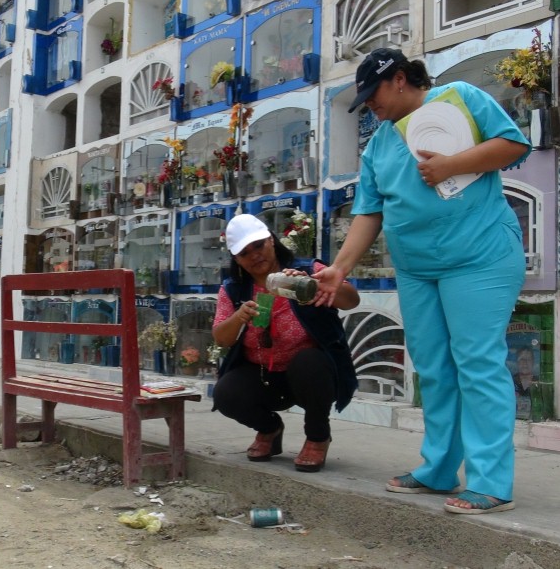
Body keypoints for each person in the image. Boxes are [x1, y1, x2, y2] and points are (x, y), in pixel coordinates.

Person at [314, 48, 530, 514]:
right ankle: (438, 468)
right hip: (416, 269)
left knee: (476, 362)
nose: (370, 105)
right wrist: (341, 267)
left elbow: (513, 144)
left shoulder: (460, 98)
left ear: (398, 79)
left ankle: (491, 482)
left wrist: (451, 165)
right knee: (433, 368)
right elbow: (369, 212)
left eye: (373, 95)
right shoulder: (380, 145)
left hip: (479, 257)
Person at [211, 214, 360, 472]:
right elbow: (221, 338)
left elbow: (351, 301)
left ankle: (317, 436)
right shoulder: (234, 289)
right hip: (264, 376)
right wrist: (239, 317)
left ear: (271, 240)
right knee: (225, 393)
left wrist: (313, 285)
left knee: (309, 361)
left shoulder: (307, 270)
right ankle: (269, 428)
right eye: (245, 253)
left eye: (258, 245)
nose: (255, 255)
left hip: (310, 377)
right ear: (237, 259)